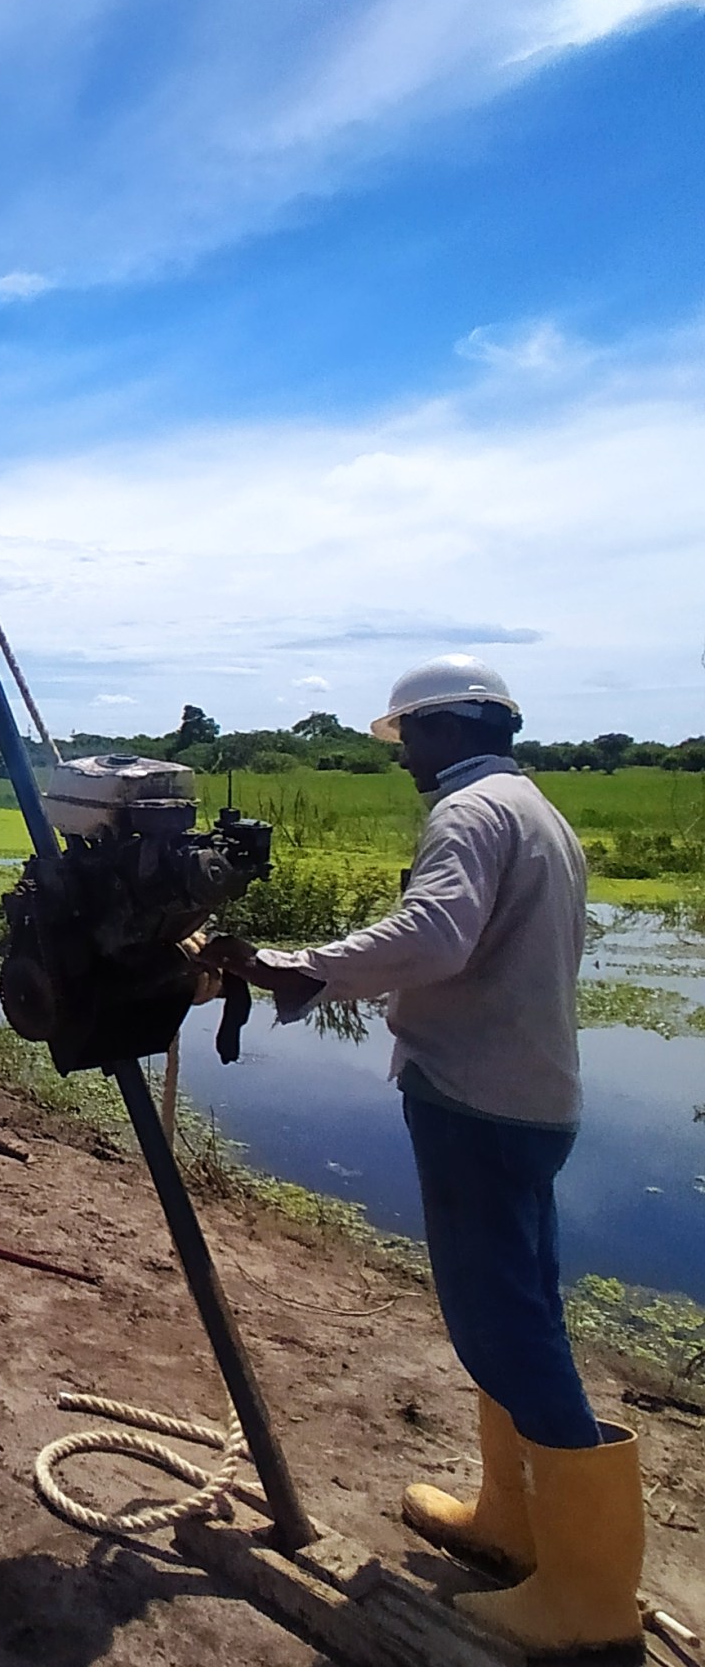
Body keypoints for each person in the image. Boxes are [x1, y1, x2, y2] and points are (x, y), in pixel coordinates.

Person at [201, 655, 643, 1653]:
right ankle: (508, 1522)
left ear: (448, 727)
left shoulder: (466, 813)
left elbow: (432, 936)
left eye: (406, 734)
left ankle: (587, 1598)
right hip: (529, 1093)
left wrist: (295, 964)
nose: (399, 752)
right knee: (519, 1313)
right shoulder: (531, 808)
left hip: (477, 1097)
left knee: (504, 1330)